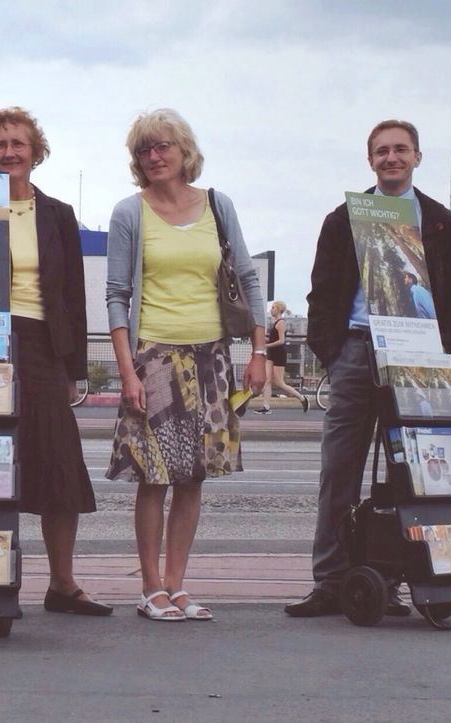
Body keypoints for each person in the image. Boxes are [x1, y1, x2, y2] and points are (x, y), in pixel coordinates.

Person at [285, 119, 451, 618]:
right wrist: (332, 351)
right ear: (370, 160)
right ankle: (330, 582)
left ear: (417, 156)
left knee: (410, 476)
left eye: (401, 150)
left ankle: (388, 581)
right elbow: (321, 293)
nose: (392, 158)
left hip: (418, 360)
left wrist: (448, 350)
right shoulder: (342, 218)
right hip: (355, 350)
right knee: (339, 471)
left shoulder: (439, 222)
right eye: (382, 151)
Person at [105, 108, 267, 622]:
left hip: (211, 356)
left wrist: (259, 351)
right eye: (143, 150)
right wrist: (127, 370)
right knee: (154, 475)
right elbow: (117, 295)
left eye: (162, 147)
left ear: (184, 152)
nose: (154, 157)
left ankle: (177, 583)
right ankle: (150, 586)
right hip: (153, 355)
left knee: (193, 477)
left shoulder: (218, 206)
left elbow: (246, 275)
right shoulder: (130, 213)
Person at [0, 107, 110, 616]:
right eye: (0, 144)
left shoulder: (57, 215)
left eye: (18, 144)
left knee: (58, 466)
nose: (9, 152)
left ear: (36, 152)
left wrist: (73, 367)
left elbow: (72, 292)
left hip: (40, 345)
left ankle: (62, 584)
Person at [256, 300, 309, 415]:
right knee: (267, 380)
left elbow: (281, 341)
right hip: (271, 354)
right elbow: (273, 339)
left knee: (280, 383)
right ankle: (266, 407)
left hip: (279, 354)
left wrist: (266, 345)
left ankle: (302, 398)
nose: (271, 309)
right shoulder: (274, 322)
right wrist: (263, 340)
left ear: (279, 310)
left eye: (274, 307)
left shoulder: (281, 323)